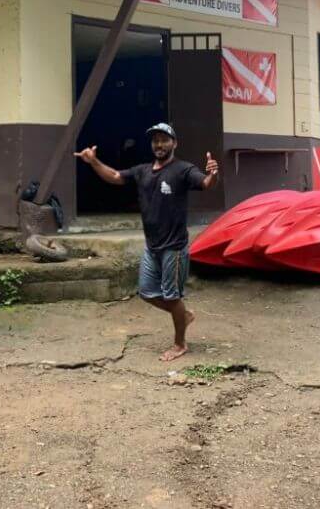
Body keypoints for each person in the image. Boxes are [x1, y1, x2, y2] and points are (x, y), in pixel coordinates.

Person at [75, 123, 219, 361]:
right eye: (155, 141)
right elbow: (114, 176)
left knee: (172, 297)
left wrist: (213, 174)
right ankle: (183, 315)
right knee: (146, 292)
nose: (159, 144)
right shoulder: (142, 171)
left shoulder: (183, 170)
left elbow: (205, 183)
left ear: (175, 143)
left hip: (173, 247)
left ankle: (180, 343)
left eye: (164, 140)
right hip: (152, 246)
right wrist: (93, 162)